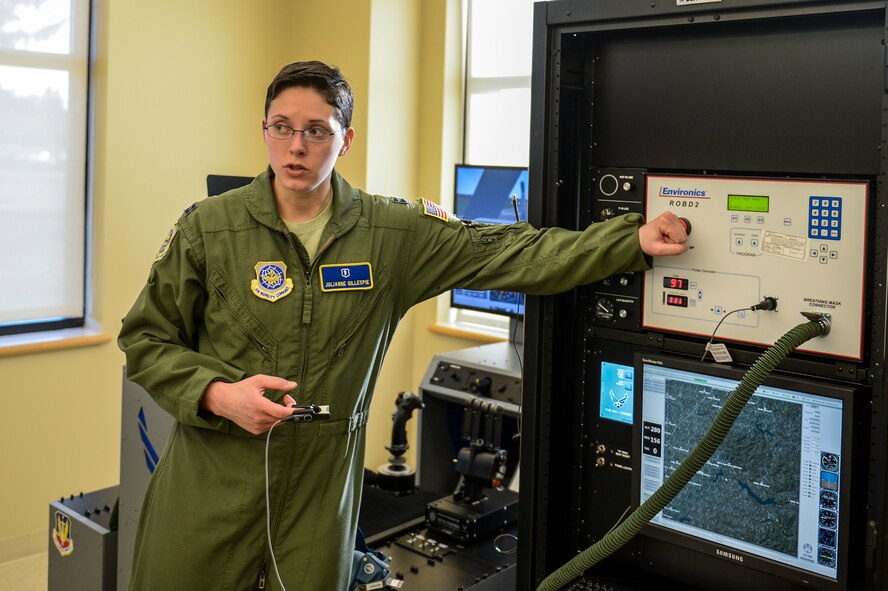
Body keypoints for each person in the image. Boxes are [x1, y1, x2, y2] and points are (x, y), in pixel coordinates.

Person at [118, 60, 689, 591]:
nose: (296, 146)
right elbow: (145, 340)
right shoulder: (208, 229)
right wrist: (219, 395)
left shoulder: (392, 235)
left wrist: (631, 242)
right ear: (263, 129)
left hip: (317, 507)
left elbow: (508, 251)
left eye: (317, 130)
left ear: (346, 139)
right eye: (282, 127)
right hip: (209, 492)